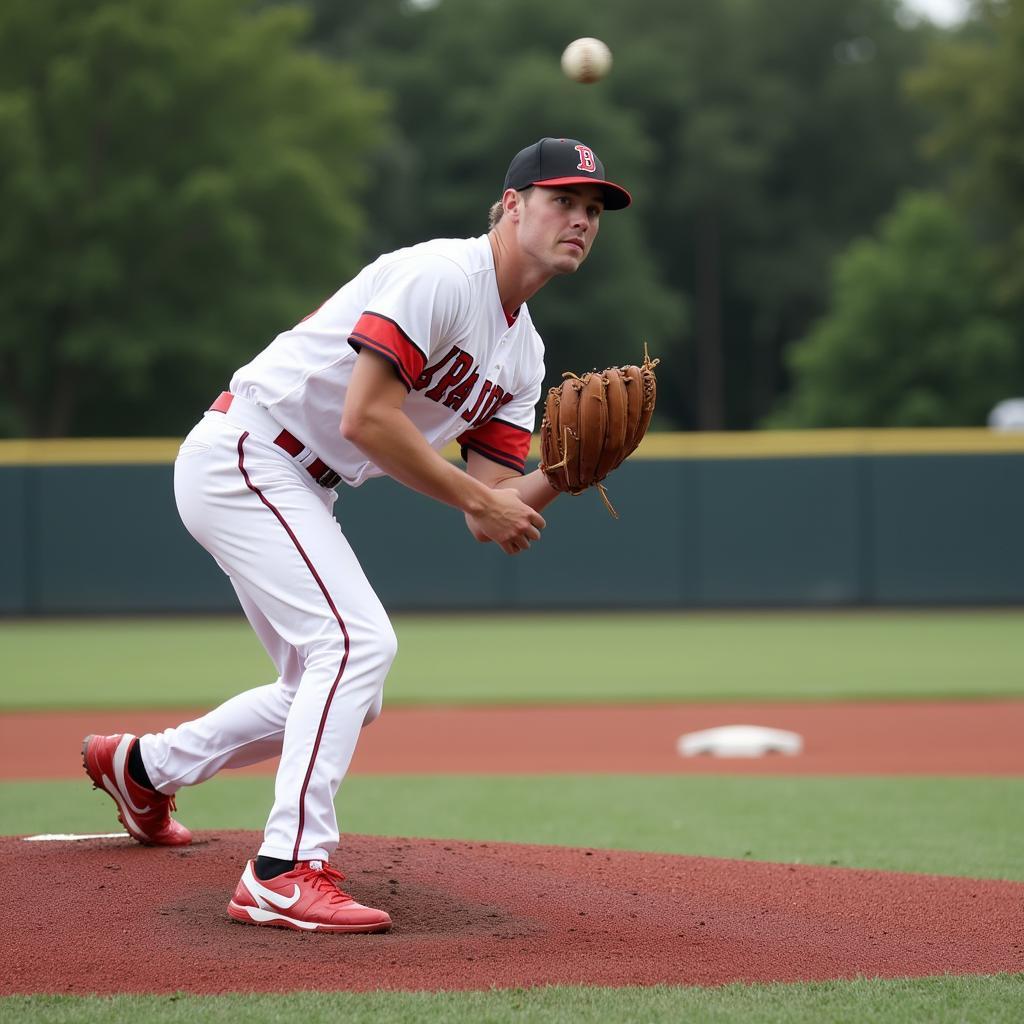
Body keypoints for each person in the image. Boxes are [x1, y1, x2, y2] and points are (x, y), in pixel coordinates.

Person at [82, 137, 632, 934]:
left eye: (592, 210)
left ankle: (141, 768)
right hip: (250, 452)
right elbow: (366, 418)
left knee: (343, 687)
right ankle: (283, 869)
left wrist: (563, 473)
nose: (580, 219)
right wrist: (487, 503)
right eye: (562, 201)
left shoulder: (525, 352)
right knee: (357, 645)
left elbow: (493, 506)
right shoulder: (444, 277)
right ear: (511, 207)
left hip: (298, 480)